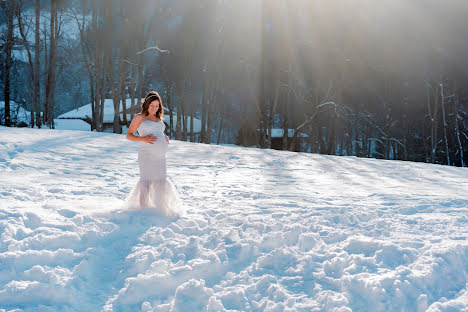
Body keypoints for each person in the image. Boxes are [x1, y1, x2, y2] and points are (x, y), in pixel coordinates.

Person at [124, 91, 183, 217]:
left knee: (161, 180)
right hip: (147, 155)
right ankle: (144, 210)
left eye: (157, 105)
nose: (154, 108)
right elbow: (129, 135)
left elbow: (157, 131)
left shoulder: (158, 118)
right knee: (146, 181)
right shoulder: (139, 117)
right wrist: (143, 139)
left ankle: (159, 209)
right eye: (152, 105)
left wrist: (164, 136)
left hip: (161, 157)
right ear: (146, 104)